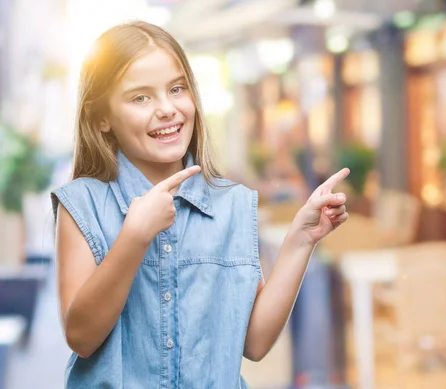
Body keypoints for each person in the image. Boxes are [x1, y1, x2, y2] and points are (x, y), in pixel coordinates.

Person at [51, 21, 350, 388]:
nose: (166, 109)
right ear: (102, 119)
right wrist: (134, 237)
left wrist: (301, 241)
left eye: (176, 89)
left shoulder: (233, 205)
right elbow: (81, 338)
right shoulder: (82, 203)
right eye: (140, 97)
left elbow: (253, 342)